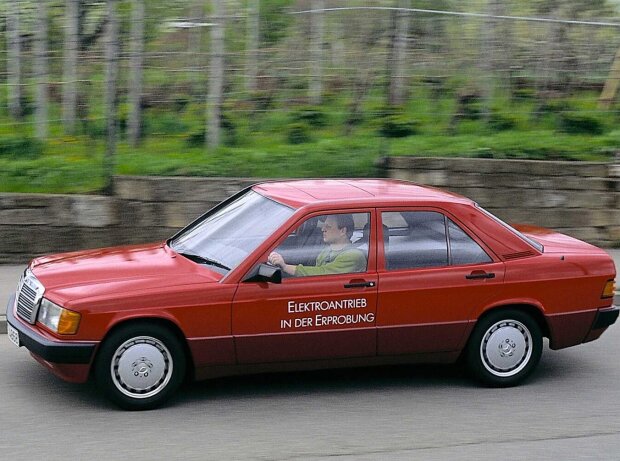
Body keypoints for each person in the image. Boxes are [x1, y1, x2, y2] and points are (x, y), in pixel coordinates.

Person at [268, 214, 367, 276]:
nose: (323, 229)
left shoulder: (354, 256)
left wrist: (285, 267)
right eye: (324, 226)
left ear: (342, 231)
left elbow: (321, 273)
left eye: (328, 226)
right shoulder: (327, 250)